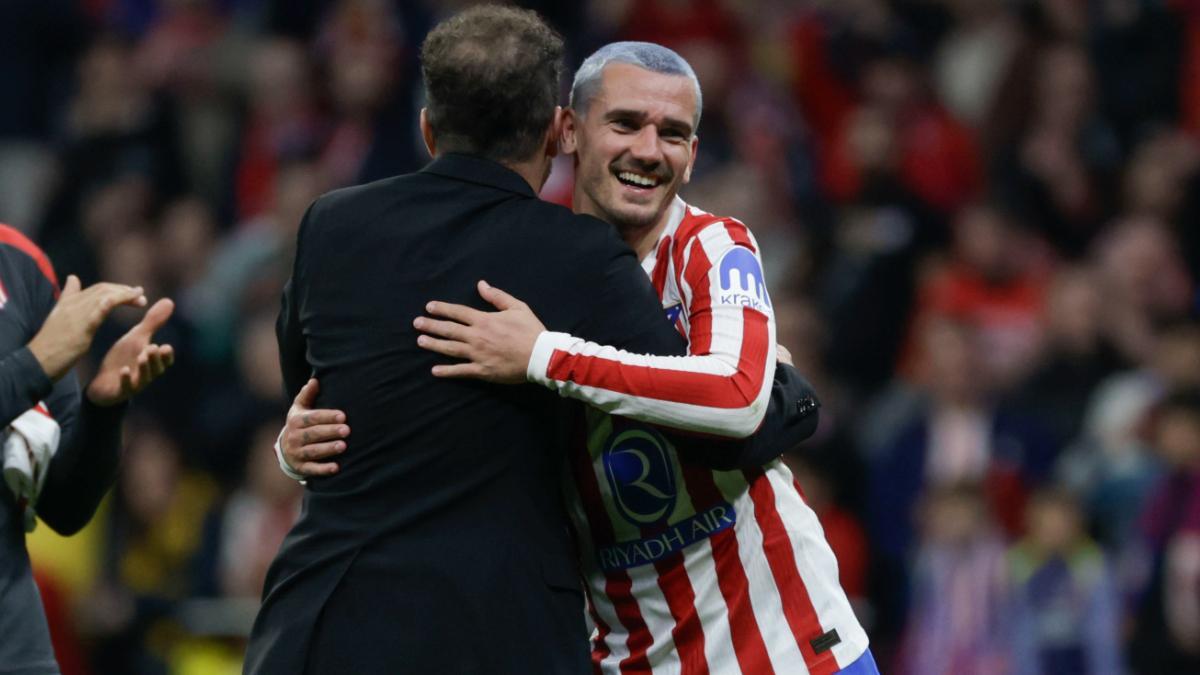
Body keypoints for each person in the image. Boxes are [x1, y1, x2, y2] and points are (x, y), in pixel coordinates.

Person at [246, 9, 816, 675]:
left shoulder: (330, 224)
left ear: (428, 128)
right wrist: (788, 391)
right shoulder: (575, 255)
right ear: (558, 131)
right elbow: (720, 432)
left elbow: (307, 388)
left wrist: (293, 447)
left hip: (318, 624)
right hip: (492, 635)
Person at [0, 223, 175, 674]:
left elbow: (65, 507)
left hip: (16, 646)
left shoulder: (19, 261)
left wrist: (103, 409)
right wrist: (35, 365)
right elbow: (36, 367)